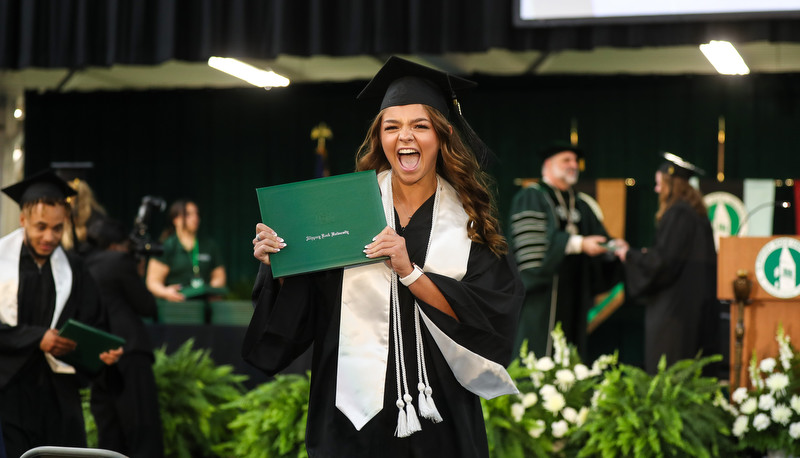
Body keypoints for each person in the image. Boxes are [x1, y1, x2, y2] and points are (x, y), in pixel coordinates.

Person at [242, 56, 524, 457]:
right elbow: (308, 310)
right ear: (381, 140)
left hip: (439, 409)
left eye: (419, 125)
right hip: (353, 418)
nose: (404, 136)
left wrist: (409, 272)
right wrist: (282, 265)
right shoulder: (345, 210)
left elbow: (490, 316)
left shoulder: (470, 223)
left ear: (441, 137)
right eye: (392, 127)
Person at [0, 170, 122, 458]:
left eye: (57, 228)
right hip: (8, 390)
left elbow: (92, 323)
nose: (49, 237)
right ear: (23, 220)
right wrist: (37, 337)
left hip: (58, 393)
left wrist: (100, 356)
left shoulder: (74, 268)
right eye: (40, 226)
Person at [509, 142, 623, 359]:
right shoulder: (531, 197)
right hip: (542, 295)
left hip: (574, 292)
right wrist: (577, 244)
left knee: (571, 356)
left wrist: (614, 247)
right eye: (566, 160)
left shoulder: (580, 204)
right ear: (548, 165)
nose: (573, 165)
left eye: (575, 161)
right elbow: (532, 251)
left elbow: (599, 237)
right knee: (537, 354)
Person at [614, 153, 718, 374]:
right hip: (693, 307)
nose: (656, 189)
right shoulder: (697, 215)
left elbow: (662, 263)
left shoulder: (678, 213)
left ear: (671, 184)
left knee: (667, 372)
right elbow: (673, 256)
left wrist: (629, 254)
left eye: (659, 183)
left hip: (673, 312)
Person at [84, 218, 164, 458]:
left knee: (109, 433)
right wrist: (137, 271)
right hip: (129, 350)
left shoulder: (81, 263)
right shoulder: (118, 260)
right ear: (116, 244)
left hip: (98, 354)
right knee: (143, 429)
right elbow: (146, 305)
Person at [145, 199, 226, 302]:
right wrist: (165, 292)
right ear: (176, 219)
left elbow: (219, 276)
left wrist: (210, 290)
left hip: (203, 306)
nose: (195, 217)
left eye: (197, 213)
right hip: (176, 307)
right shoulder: (166, 246)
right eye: (188, 214)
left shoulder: (209, 245)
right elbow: (153, 282)